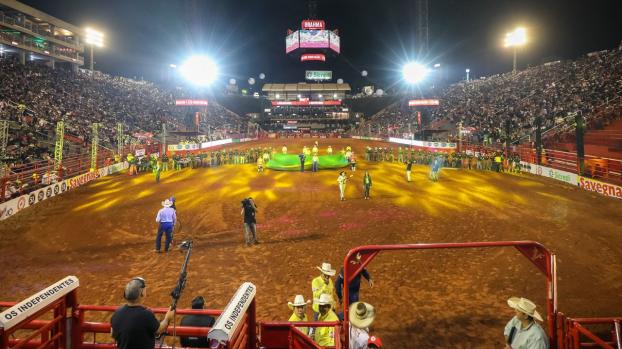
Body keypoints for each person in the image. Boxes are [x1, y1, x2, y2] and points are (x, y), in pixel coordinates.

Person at [110, 277, 175, 349]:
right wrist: (167, 318)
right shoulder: (146, 315)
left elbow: (112, 334)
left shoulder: (117, 313)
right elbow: (158, 330)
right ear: (141, 293)